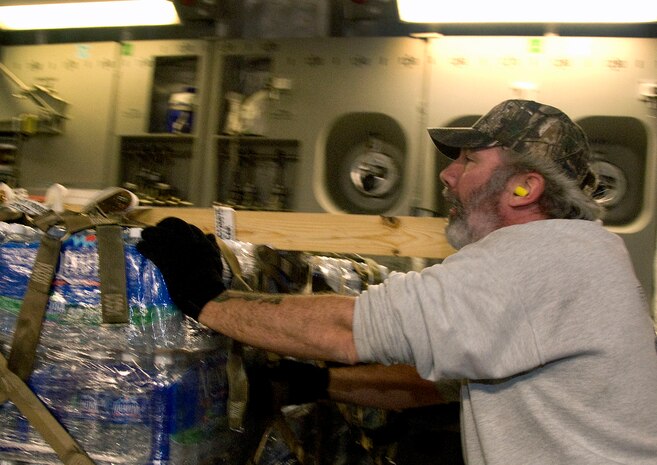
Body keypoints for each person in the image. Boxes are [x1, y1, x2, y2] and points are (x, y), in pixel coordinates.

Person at [137, 99, 657, 465]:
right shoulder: (582, 254)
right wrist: (314, 384)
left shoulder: (539, 259)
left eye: (469, 160)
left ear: (524, 186)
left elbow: (350, 328)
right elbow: (430, 386)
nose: (447, 176)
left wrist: (206, 299)